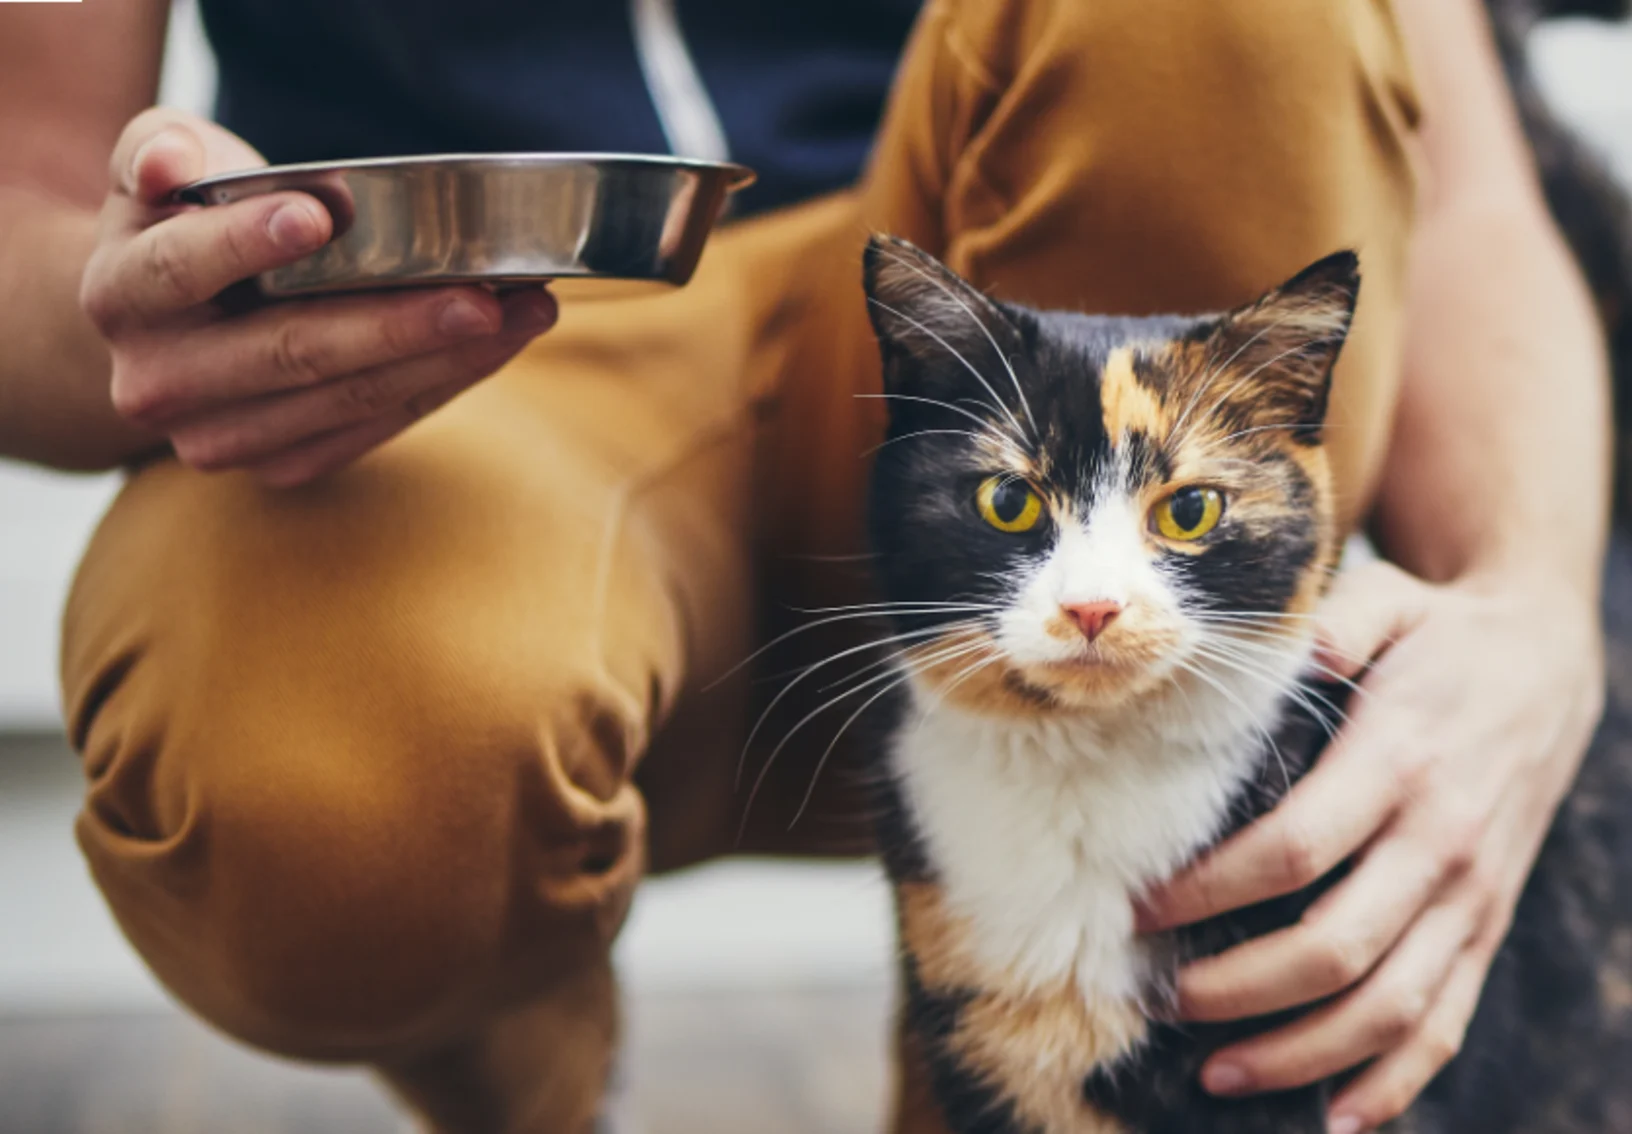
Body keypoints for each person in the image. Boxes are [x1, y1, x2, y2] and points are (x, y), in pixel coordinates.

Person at [0, 1, 1610, 1131]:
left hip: (995, 282)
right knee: (327, 807)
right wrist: (154, 295)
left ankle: (1016, 1079)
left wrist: (1536, 610)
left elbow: (1470, 195)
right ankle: (534, 1080)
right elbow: (24, 193)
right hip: (458, 346)